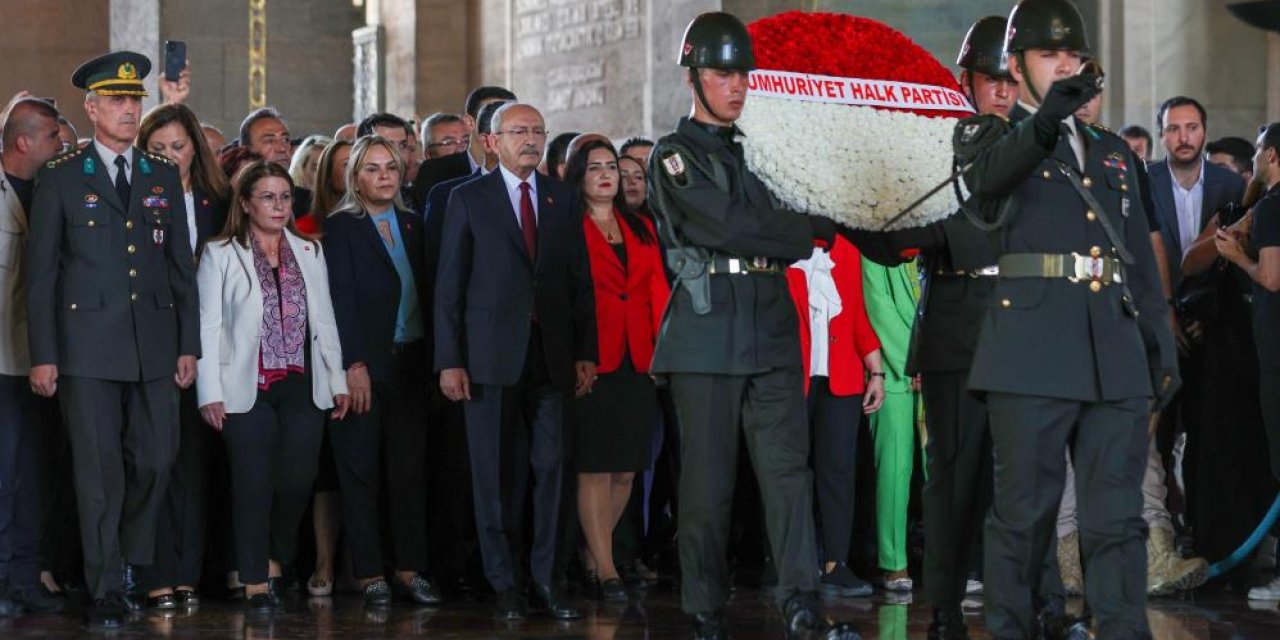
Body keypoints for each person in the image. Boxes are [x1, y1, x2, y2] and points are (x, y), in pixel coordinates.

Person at [959, 0, 1178, 637]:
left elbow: (1136, 256)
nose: (1065, 65)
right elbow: (990, 187)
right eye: (1049, 54)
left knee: (1117, 518)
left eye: (1072, 55)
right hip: (1031, 346)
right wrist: (1048, 118)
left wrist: (1158, 343)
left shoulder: (1113, 153)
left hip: (1112, 346)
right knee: (1024, 515)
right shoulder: (988, 137)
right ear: (1016, 64)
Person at [646, 12, 856, 640]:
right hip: (707, 334)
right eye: (721, 73)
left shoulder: (766, 150)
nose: (736, 85)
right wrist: (803, 233)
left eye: (742, 74)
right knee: (708, 484)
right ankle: (706, 608)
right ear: (694, 78)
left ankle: (801, 603)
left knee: (789, 476)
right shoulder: (673, 156)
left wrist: (801, 227)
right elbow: (725, 226)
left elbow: (798, 211)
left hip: (769, 325)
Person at [26, 51, 200, 628]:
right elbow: (43, 274)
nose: (129, 110)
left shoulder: (159, 173)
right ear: (92, 107)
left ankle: (128, 556)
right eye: (118, 101)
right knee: (98, 473)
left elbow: (180, 267)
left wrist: (187, 344)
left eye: (135, 100)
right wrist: (44, 355)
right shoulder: (61, 177)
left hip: (153, 340)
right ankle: (107, 584)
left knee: (156, 458)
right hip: (85, 347)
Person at [435, 101, 596, 621]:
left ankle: (548, 582)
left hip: (551, 357)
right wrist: (450, 361)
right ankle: (503, 584)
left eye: (537, 131)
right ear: (491, 141)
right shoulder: (468, 198)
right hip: (487, 359)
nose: (530, 139)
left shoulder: (561, 198)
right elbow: (449, 289)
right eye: (519, 131)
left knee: (551, 470)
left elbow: (578, 282)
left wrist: (585, 351)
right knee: (493, 475)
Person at [195, 160, 349, 612]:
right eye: (267, 196)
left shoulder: (309, 252)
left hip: (303, 383)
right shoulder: (220, 252)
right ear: (245, 203)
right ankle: (255, 577)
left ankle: (274, 554)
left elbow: (324, 320)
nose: (278, 205)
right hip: (244, 384)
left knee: (297, 481)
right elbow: (207, 326)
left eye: (285, 197)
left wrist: (337, 379)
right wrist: (210, 392)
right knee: (252, 481)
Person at [322, 135, 439, 605]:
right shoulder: (340, 228)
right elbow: (338, 303)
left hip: (411, 363)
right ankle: (368, 571)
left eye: (390, 166)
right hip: (363, 366)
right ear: (355, 177)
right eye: (372, 168)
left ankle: (410, 569)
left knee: (408, 470)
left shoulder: (414, 224)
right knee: (360, 470)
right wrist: (353, 363)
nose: (384, 176)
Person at [562, 139, 670, 603]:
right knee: (594, 465)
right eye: (596, 168)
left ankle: (594, 550)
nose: (608, 176)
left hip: (639, 358)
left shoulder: (641, 227)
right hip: (594, 357)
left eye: (612, 168)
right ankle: (605, 568)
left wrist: (662, 354)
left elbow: (658, 292)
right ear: (578, 177)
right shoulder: (567, 227)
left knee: (626, 468)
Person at [135, 102, 232, 609]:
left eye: (177, 146)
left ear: (195, 145)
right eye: (157, 149)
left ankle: (188, 573)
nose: (169, 157)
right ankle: (154, 572)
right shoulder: (137, 196)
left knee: (195, 464)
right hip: (153, 343)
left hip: (212, 348)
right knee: (156, 459)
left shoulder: (220, 200)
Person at [785, 233, 884, 599]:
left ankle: (836, 564)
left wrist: (876, 371)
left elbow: (856, 312)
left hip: (841, 375)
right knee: (789, 470)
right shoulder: (782, 244)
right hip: (791, 375)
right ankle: (789, 560)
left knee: (839, 468)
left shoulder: (848, 248)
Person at [0, 97, 67, 617]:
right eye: (51, 135)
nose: (61, 142)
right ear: (24, 142)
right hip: (0, 359)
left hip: (42, 357)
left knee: (36, 473)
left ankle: (25, 577)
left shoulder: (54, 189)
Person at [1213, 122, 1280, 599]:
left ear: (1272, 155)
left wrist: (1237, 256)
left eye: (1258, 152)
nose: (1253, 160)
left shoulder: (1275, 208)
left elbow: (1272, 277)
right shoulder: (1267, 206)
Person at [413, 86, 517, 204]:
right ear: (470, 122)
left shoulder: (524, 170)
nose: (503, 126)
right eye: (492, 118)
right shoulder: (436, 172)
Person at [237, 107, 309, 217]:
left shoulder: (308, 203)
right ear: (245, 149)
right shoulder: (229, 200)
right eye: (269, 141)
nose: (282, 148)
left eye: (285, 140)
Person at [357, 113, 419, 211]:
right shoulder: (342, 220)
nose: (399, 155)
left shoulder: (418, 202)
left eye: (403, 146)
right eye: (387, 146)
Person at [297, 139, 351, 236]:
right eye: (347, 164)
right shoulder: (304, 229)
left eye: (359, 163)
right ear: (328, 174)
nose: (355, 170)